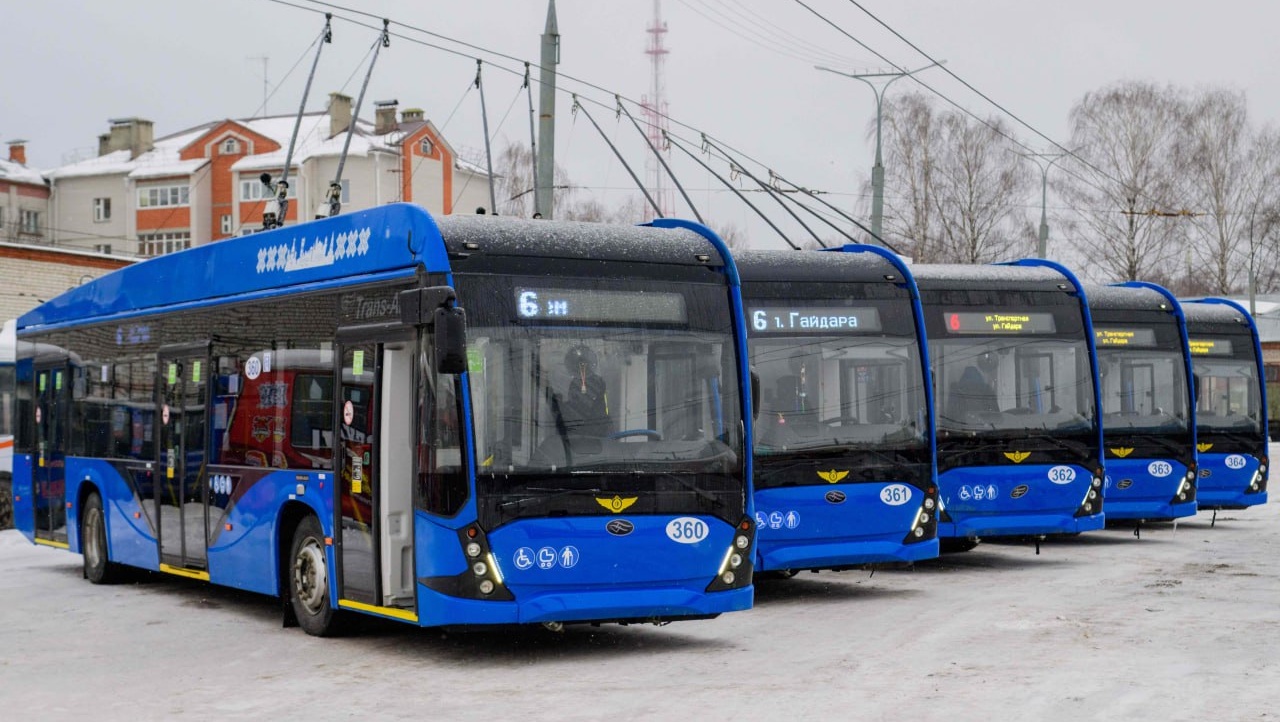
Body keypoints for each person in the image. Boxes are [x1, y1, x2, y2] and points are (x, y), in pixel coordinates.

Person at [556, 345, 610, 436]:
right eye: (579, 365)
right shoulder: (573, 384)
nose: (582, 367)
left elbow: (604, 408)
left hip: (597, 431)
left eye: (584, 364)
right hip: (575, 432)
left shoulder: (599, 382)